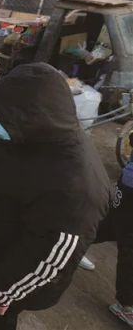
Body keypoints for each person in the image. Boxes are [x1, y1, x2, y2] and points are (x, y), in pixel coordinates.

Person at [0, 63, 113, 330]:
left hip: (11, 275)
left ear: (31, 116)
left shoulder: (76, 185)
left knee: (1, 313)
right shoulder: (33, 135)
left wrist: (1, 290)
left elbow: (51, 255)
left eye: (3, 116)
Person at [92, 132, 133, 327]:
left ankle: (62, 245)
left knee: (107, 227)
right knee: (128, 245)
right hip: (130, 191)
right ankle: (126, 306)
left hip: (127, 188)